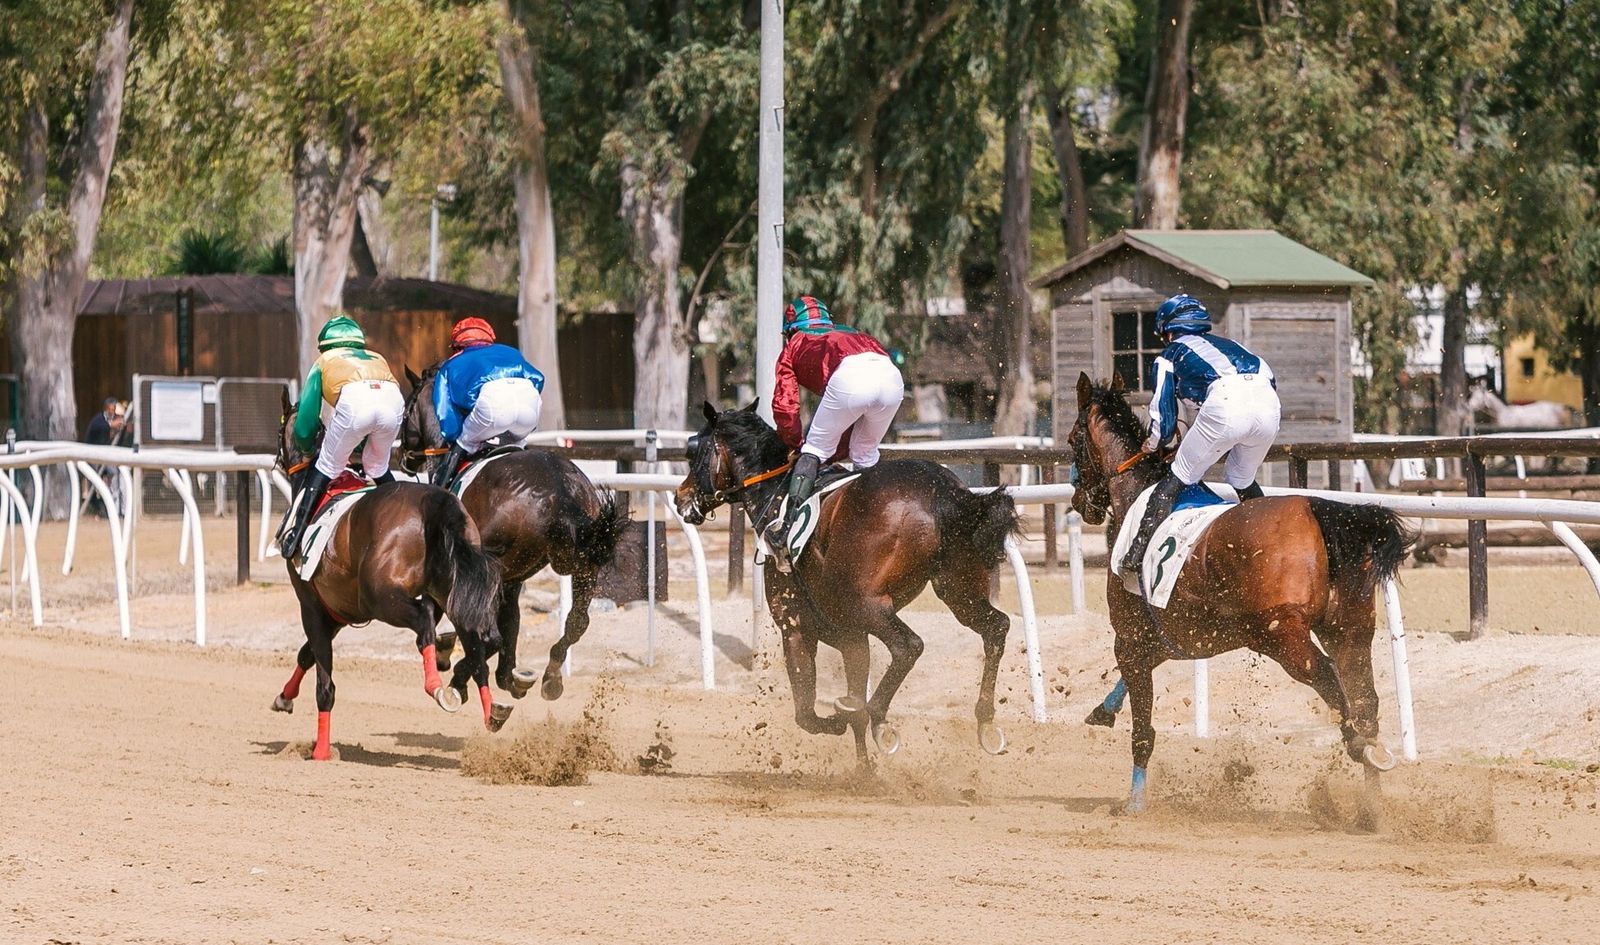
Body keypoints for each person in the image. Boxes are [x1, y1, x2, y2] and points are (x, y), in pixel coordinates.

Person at [1121, 294, 1281, 579]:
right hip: (1269, 407)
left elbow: (1163, 412)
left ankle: (1135, 555)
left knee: (1178, 476)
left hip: (1226, 404)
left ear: (1168, 331)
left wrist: (1155, 441)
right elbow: (1268, 382)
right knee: (1241, 479)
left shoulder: (1169, 354)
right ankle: (1270, 543)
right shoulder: (1235, 346)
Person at [766, 295, 905, 572]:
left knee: (813, 450)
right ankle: (883, 519)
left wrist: (795, 443)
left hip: (850, 380)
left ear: (792, 329)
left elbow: (786, 404)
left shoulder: (793, 345)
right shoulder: (853, 332)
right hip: (892, 379)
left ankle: (787, 528)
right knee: (864, 454)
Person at [281, 314, 404, 559]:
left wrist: (306, 449)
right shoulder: (376, 357)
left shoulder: (323, 361)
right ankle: (402, 510)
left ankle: (296, 535)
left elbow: (304, 424)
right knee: (376, 466)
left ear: (324, 344)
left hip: (356, 403)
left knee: (328, 464)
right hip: (394, 401)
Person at [430, 317, 545, 487]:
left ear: (457, 346)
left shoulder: (450, 365)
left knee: (464, 441)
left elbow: (445, 414)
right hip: (529, 407)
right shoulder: (511, 352)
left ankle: (439, 497)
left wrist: (454, 436)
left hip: (492, 408)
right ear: (489, 338)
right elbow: (538, 378)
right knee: (518, 444)